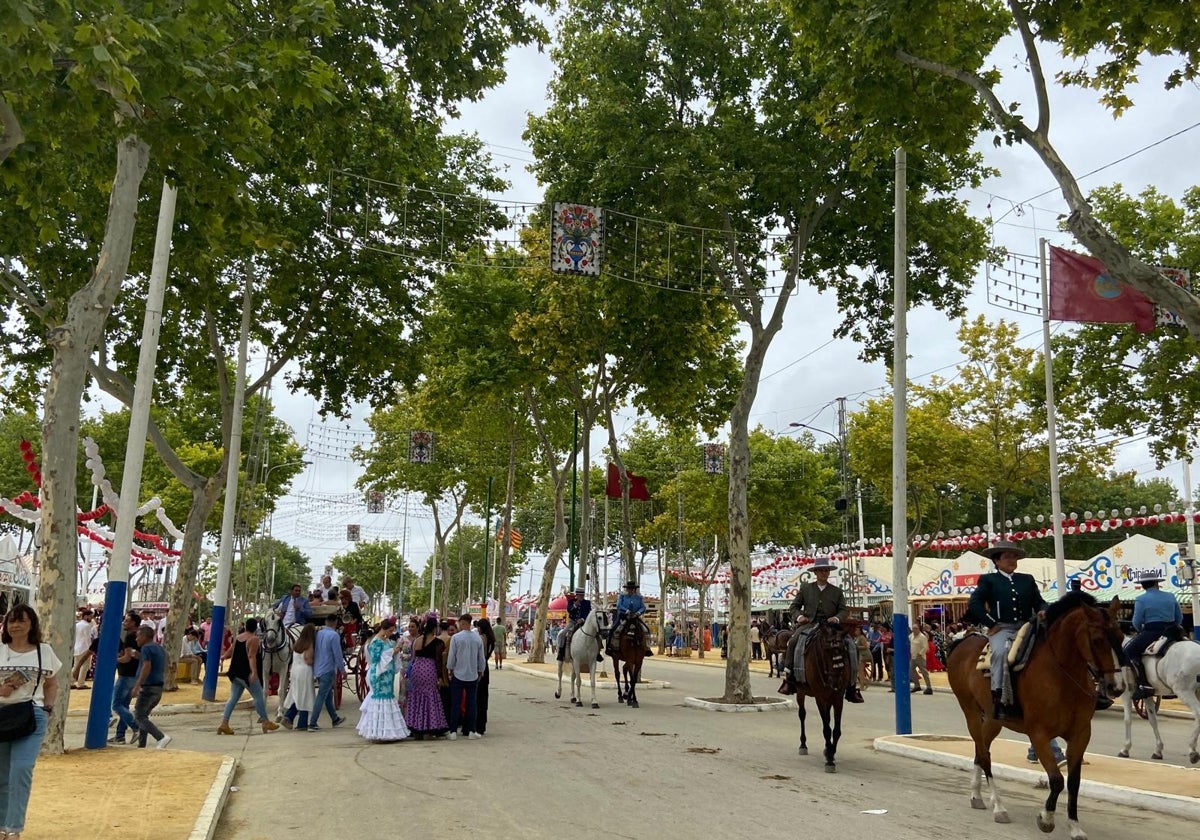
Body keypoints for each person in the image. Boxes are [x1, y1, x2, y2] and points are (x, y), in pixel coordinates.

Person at [965, 540, 1046, 719]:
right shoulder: (989, 580)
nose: (1012, 560)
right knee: (1001, 652)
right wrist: (991, 623)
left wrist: (1043, 610)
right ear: (997, 560)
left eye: (1014, 556)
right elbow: (974, 603)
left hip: (1027, 626)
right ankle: (998, 696)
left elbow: (1039, 601)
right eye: (1007, 556)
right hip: (1003, 628)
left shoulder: (1027, 579)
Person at [0, 604, 60, 838]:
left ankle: (13, 828)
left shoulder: (43, 651)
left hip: (31, 715)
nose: (15, 625)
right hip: (2, 715)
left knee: (21, 770)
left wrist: (47, 708)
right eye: (11, 621)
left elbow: (51, 683)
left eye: (21, 620)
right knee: (2, 774)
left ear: (32, 624)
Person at [779, 557, 864, 703]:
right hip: (809, 624)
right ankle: (789, 678)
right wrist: (799, 617)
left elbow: (843, 610)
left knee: (851, 645)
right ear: (816, 572)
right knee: (793, 641)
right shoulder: (806, 588)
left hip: (831, 627)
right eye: (821, 570)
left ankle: (851, 685)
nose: (824, 573)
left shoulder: (836, 591)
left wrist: (837, 618)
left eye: (826, 570)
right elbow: (794, 607)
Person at [1126, 569, 1185, 700]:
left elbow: (1136, 621)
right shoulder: (1170, 596)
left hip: (1152, 631)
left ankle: (1143, 684)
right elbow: (1179, 617)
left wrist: (1140, 629)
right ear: (1156, 583)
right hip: (1173, 631)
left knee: (1129, 651)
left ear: (1142, 585)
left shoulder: (1141, 599)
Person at [216, 618, 281, 735]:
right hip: (246, 673)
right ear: (256, 628)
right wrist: (254, 672)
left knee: (233, 698)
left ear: (245, 627)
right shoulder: (254, 639)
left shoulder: (238, 637)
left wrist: (223, 657)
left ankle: (224, 723)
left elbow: (231, 650)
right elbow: (252, 657)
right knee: (258, 696)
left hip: (235, 672)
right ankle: (265, 721)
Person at [356, 618, 410, 742]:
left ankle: (389, 730)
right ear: (384, 629)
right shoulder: (376, 642)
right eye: (390, 630)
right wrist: (392, 652)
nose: (391, 633)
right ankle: (379, 731)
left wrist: (395, 651)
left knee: (388, 697)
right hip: (380, 674)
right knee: (380, 698)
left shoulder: (387, 641)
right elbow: (376, 659)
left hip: (388, 674)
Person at [405, 613, 449, 738]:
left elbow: (412, 658)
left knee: (416, 696)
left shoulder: (416, 641)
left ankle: (415, 725)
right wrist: (440, 677)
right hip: (429, 669)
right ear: (435, 628)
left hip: (416, 669)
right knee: (430, 696)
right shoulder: (438, 643)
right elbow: (439, 661)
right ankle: (429, 725)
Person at [130, 625, 172, 749]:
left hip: (148, 686)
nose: (136, 639)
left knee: (139, 716)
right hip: (158, 686)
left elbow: (146, 666)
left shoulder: (146, 648)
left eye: (138, 636)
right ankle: (141, 744)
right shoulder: (158, 648)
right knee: (144, 715)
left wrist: (137, 685)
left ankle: (160, 737)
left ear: (144, 636)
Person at [445, 614, 486, 740]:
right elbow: (481, 657)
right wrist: (480, 670)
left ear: (462, 623)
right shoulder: (477, 638)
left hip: (458, 674)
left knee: (456, 703)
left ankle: (452, 731)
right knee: (472, 704)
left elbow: (452, 656)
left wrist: (450, 669)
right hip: (472, 675)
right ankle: (472, 730)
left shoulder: (456, 638)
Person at [308, 614, 346, 731]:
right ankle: (313, 722)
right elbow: (337, 654)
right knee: (322, 695)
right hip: (328, 668)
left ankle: (335, 718)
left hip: (318, 667)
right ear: (335, 623)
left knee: (328, 696)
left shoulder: (319, 633)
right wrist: (342, 670)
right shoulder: (334, 635)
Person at [109, 611, 141, 745]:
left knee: (116, 705)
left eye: (127, 621)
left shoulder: (129, 637)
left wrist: (113, 660)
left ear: (133, 622)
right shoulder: (140, 636)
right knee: (124, 706)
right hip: (135, 675)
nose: (124, 623)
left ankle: (136, 727)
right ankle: (120, 735)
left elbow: (127, 658)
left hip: (126, 675)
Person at [281, 624, 317, 731]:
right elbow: (308, 659)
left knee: (297, 694)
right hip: (305, 671)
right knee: (306, 696)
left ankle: (289, 717)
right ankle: (301, 722)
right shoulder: (309, 644)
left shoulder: (297, 643)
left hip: (295, 670)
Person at [607, 581, 654, 656]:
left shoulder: (639, 598)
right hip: (623, 616)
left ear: (634, 589)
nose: (630, 590)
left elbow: (643, 607)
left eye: (632, 589)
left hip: (635, 617)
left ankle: (647, 648)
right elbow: (619, 605)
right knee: (613, 629)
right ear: (627, 589)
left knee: (646, 629)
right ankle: (609, 647)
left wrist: (638, 612)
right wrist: (626, 611)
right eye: (629, 589)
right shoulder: (622, 596)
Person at [475, 619, 496, 736]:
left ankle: (479, 724)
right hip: (486, 668)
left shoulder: (482, 638)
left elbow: (480, 655)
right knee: (483, 697)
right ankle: (482, 723)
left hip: (480, 668)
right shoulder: (491, 639)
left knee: (478, 698)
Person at [70, 608, 96, 689]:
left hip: (77, 648)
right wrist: (91, 649)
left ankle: (71, 681)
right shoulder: (87, 626)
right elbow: (88, 638)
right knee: (84, 667)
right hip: (85, 648)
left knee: (76, 666)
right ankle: (81, 683)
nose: (91, 618)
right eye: (90, 617)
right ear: (85, 616)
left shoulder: (77, 625)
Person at [909, 624, 933, 694]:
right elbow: (908, 640)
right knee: (911, 671)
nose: (914, 630)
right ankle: (917, 685)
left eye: (916, 628)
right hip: (913, 657)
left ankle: (929, 687)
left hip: (920, 657)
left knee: (924, 672)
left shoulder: (922, 637)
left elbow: (925, 647)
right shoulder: (911, 636)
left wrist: (920, 653)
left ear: (919, 629)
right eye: (913, 628)